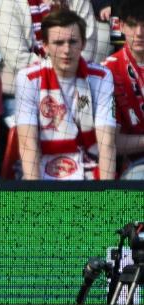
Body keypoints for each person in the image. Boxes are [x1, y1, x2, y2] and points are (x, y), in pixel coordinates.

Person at [14, 9, 115, 180]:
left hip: (89, 168)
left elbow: (107, 145)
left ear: (83, 43)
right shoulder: (27, 79)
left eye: (73, 41)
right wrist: (35, 197)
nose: (66, 50)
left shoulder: (102, 77)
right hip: (42, 170)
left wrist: (105, 196)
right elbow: (27, 145)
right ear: (45, 46)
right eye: (59, 43)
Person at [103, 0, 144, 179]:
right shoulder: (108, 71)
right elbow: (111, 143)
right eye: (132, 25)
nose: (139, 33)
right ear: (120, 26)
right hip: (137, 165)